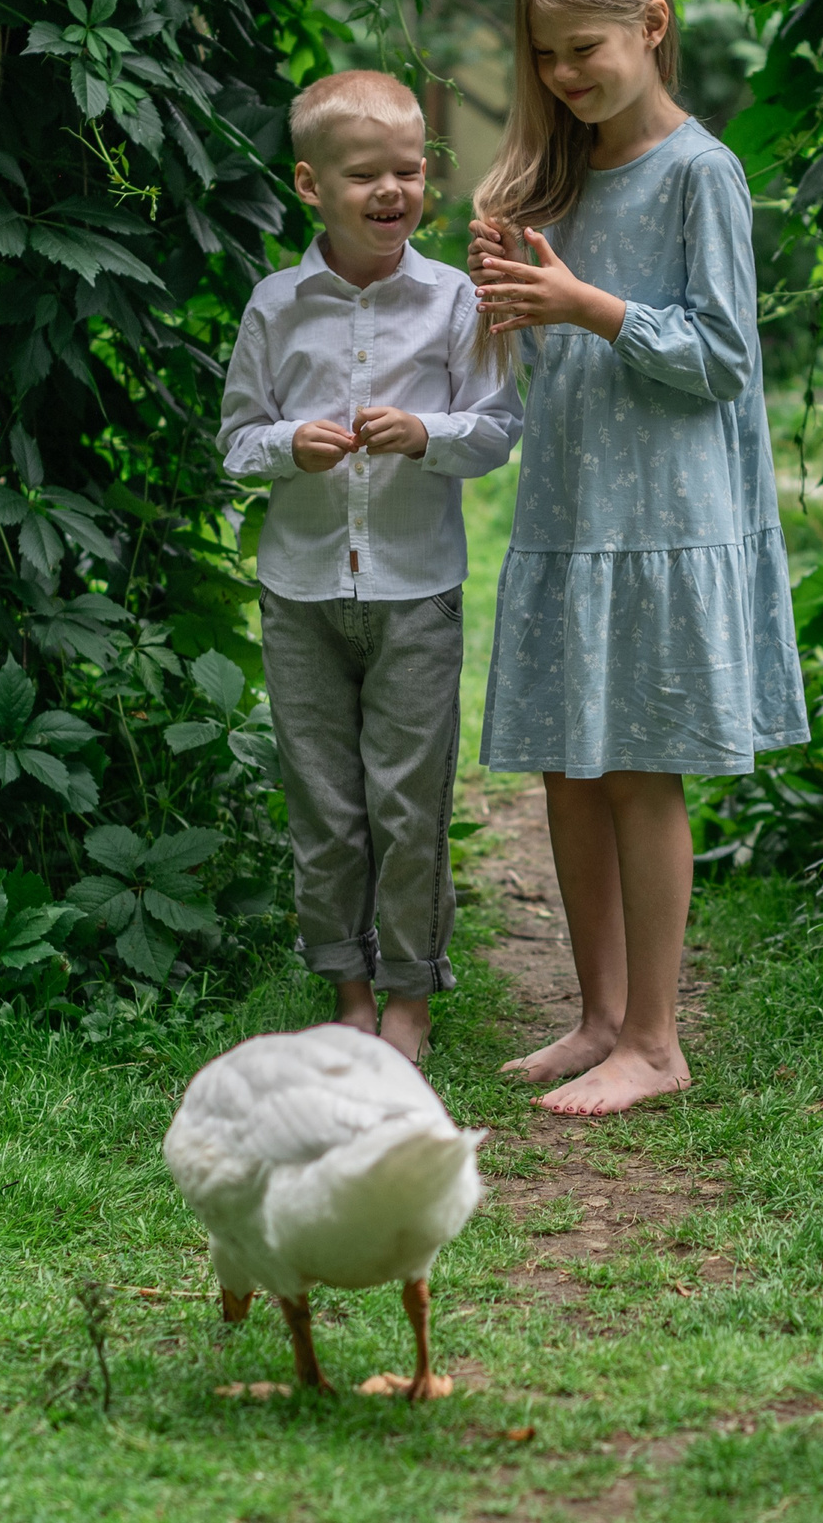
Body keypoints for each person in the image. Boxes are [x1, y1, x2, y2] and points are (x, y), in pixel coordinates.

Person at [468, 0, 808, 1115]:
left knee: (638, 772)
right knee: (569, 764)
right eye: (546, 56)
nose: (564, 75)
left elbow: (723, 355)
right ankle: (599, 1017)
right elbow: (533, 362)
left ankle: (657, 1041)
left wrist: (588, 303)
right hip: (572, 510)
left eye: (585, 48)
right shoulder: (563, 173)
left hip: (664, 520)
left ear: (652, 27)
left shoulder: (697, 171)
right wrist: (511, 292)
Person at [220, 70, 522, 1062]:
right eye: (365, 175)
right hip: (301, 589)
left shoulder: (453, 300)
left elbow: (494, 427)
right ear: (311, 184)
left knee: (408, 801)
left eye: (409, 169)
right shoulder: (275, 306)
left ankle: (409, 997)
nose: (393, 190)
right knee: (324, 801)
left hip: (413, 588)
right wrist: (285, 446)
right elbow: (235, 442)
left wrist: (424, 431)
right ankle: (346, 987)